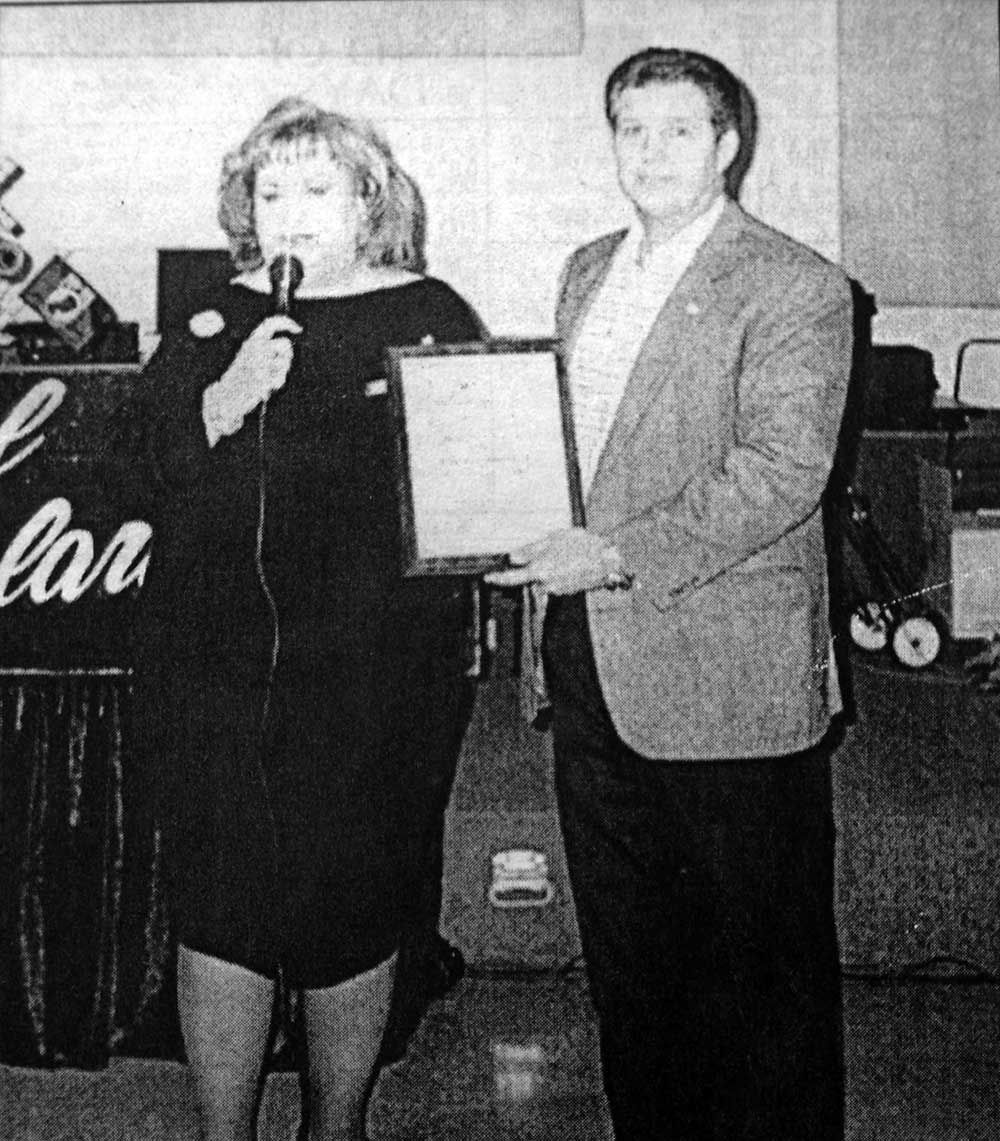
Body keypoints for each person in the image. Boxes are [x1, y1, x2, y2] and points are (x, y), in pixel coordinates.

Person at [488, 48, 852, 1141]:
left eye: (676, 130)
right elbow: (563, 453)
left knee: (761, 979)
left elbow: (781, 473)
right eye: (629, 129)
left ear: (727, 143)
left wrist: (610, 555)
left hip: (727, 681)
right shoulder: (586, 268)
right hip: (592, 665)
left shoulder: (794, 284)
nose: (648, 152)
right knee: (632, 972)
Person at [113, 98, 482, 1141]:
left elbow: (477, 480)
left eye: (317, 191)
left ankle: (338, 1125)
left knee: (352, 908)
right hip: (211, 668)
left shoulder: (431, 311)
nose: (291, 215)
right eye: (270, 193)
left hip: (375, 672)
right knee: (221, 907)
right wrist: (222, 400)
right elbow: (138, 468)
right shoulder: (211, 317)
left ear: (371, 201)